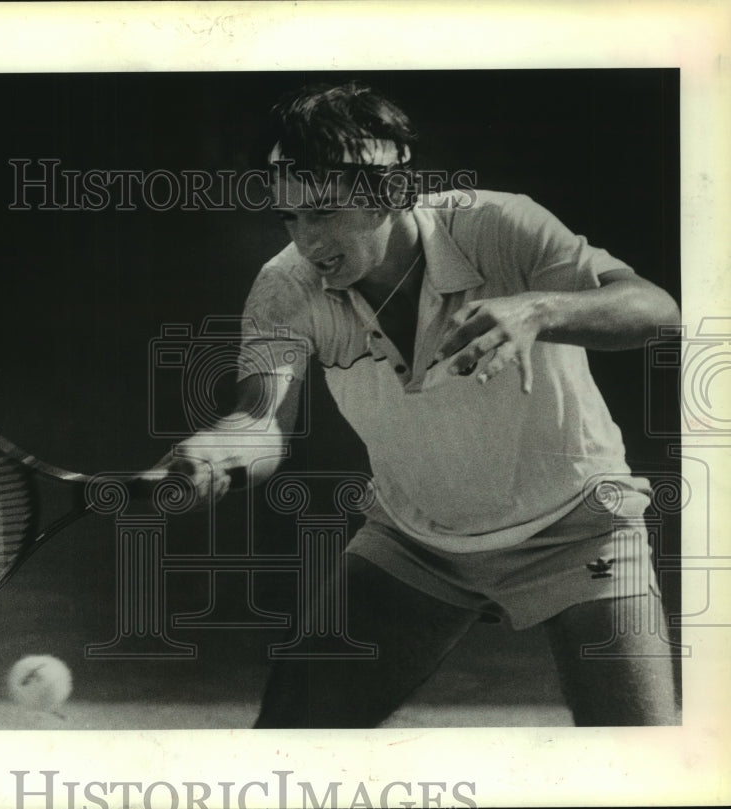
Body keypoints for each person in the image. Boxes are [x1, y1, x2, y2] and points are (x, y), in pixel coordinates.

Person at [158, 82, 681, 727]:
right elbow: (263, 419)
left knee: (640, 764)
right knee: (286, 748)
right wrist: (217, 452)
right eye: (288, 217)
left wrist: (540, 309)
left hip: (578, 528)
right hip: (416, 546)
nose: (305, 240)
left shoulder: (500, 225)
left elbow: (658, 311)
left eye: (322, 211)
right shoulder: (285, 288)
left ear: (391, 193)